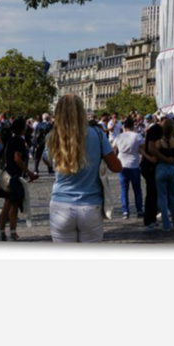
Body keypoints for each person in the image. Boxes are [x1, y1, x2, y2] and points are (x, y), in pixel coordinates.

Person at [46, 92, 114, 243]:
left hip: (61, 204)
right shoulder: (97, 134)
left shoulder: (52, 137)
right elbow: (116, 167)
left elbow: (48, 161)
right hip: (90, 205)